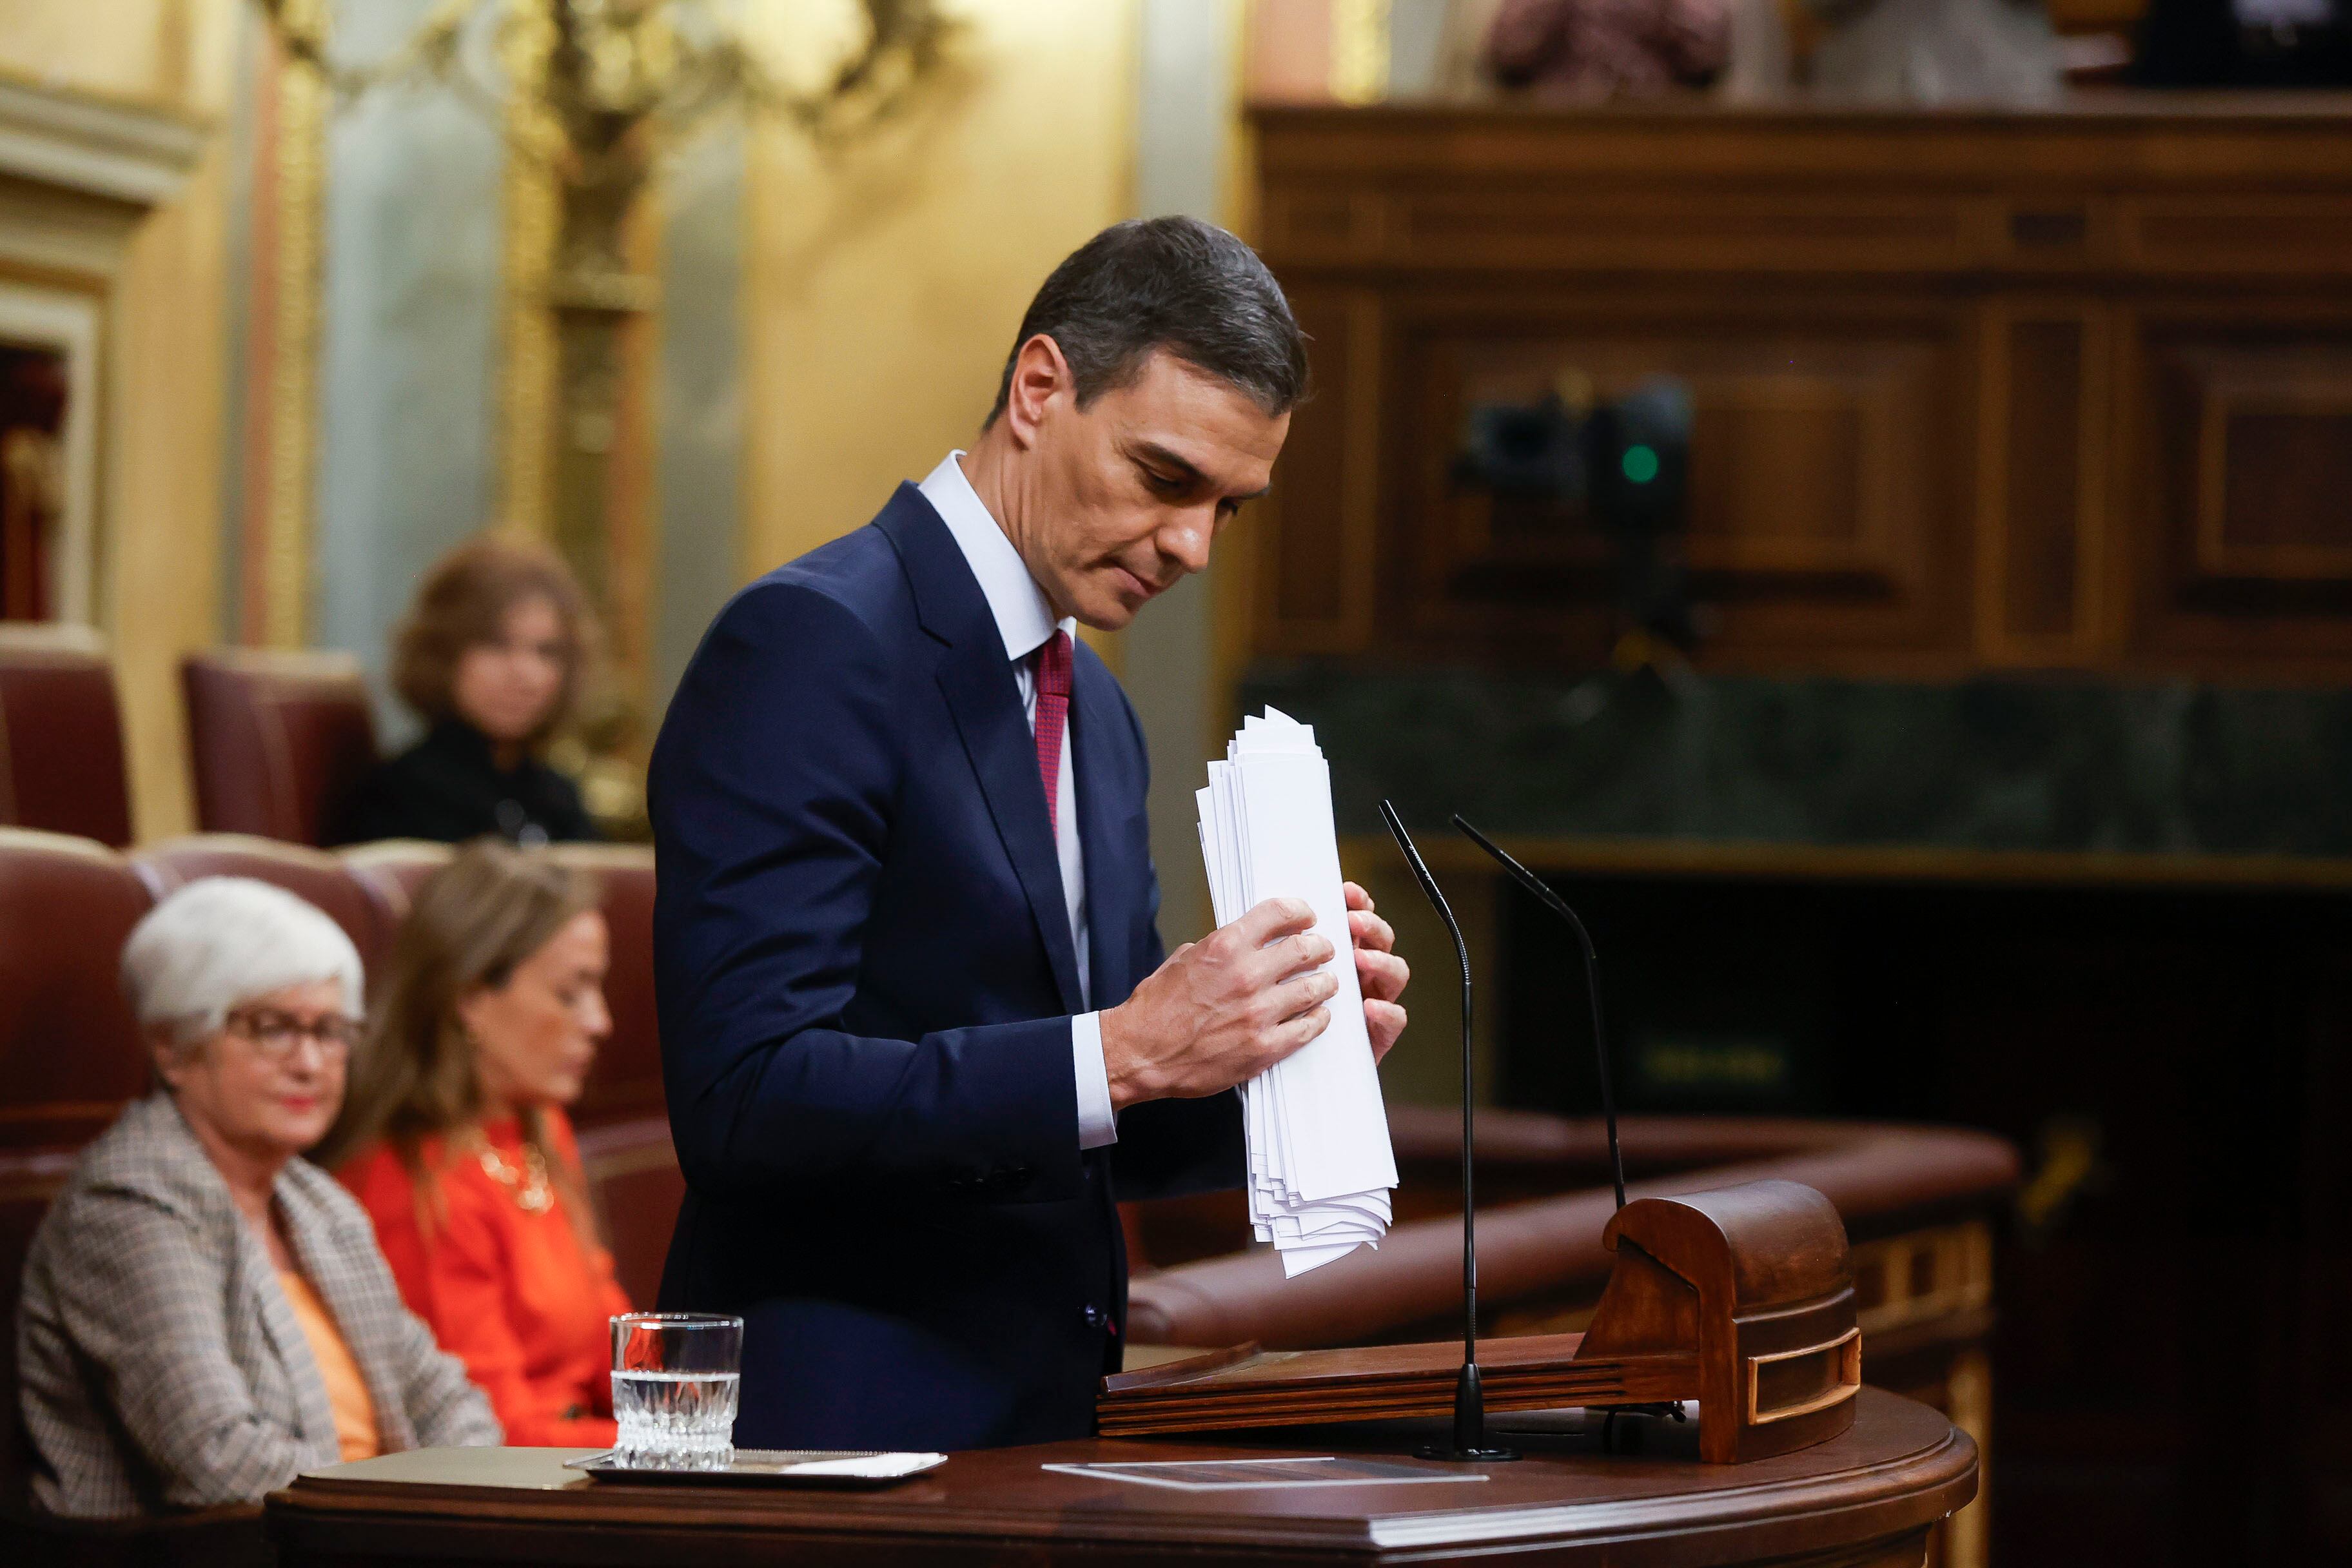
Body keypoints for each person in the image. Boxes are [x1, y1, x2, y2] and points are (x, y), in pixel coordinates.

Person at [649, 216, 1411, 1451]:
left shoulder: (1096, 706)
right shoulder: (810, 642)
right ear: (1040, 387)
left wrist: (1276, 1053)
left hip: (1044, 1421)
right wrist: (1123, 1048)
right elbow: (744, 1100)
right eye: (1165, 479)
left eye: (1232, 507)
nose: (1192, 548)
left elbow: (1089, 1114)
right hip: (829, 1443)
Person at [15, 879, 498, 1519]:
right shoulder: (129, 1203)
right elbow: (217, 1457)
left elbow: (444, 1396)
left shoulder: (315, 1200)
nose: (310, 1062)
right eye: (272, 1028)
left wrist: (473, 1506)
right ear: (173, 1046)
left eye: (331, 1030)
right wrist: (413, 1516)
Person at [318, 839, 631, 1447]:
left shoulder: (537, 1127)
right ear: (471, 1000)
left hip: (586, 1456)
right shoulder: (409, 1181)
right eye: (570, 993)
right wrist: (671, 1448)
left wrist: (697, 1403)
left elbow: (608, 1330)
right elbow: (491, 1431)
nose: (600, 1022)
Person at [335, 537, 600, 847]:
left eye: (546, 651)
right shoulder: (401, 795)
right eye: (498, 645)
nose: (526, 674)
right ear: (443, 655)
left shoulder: (560, 797)